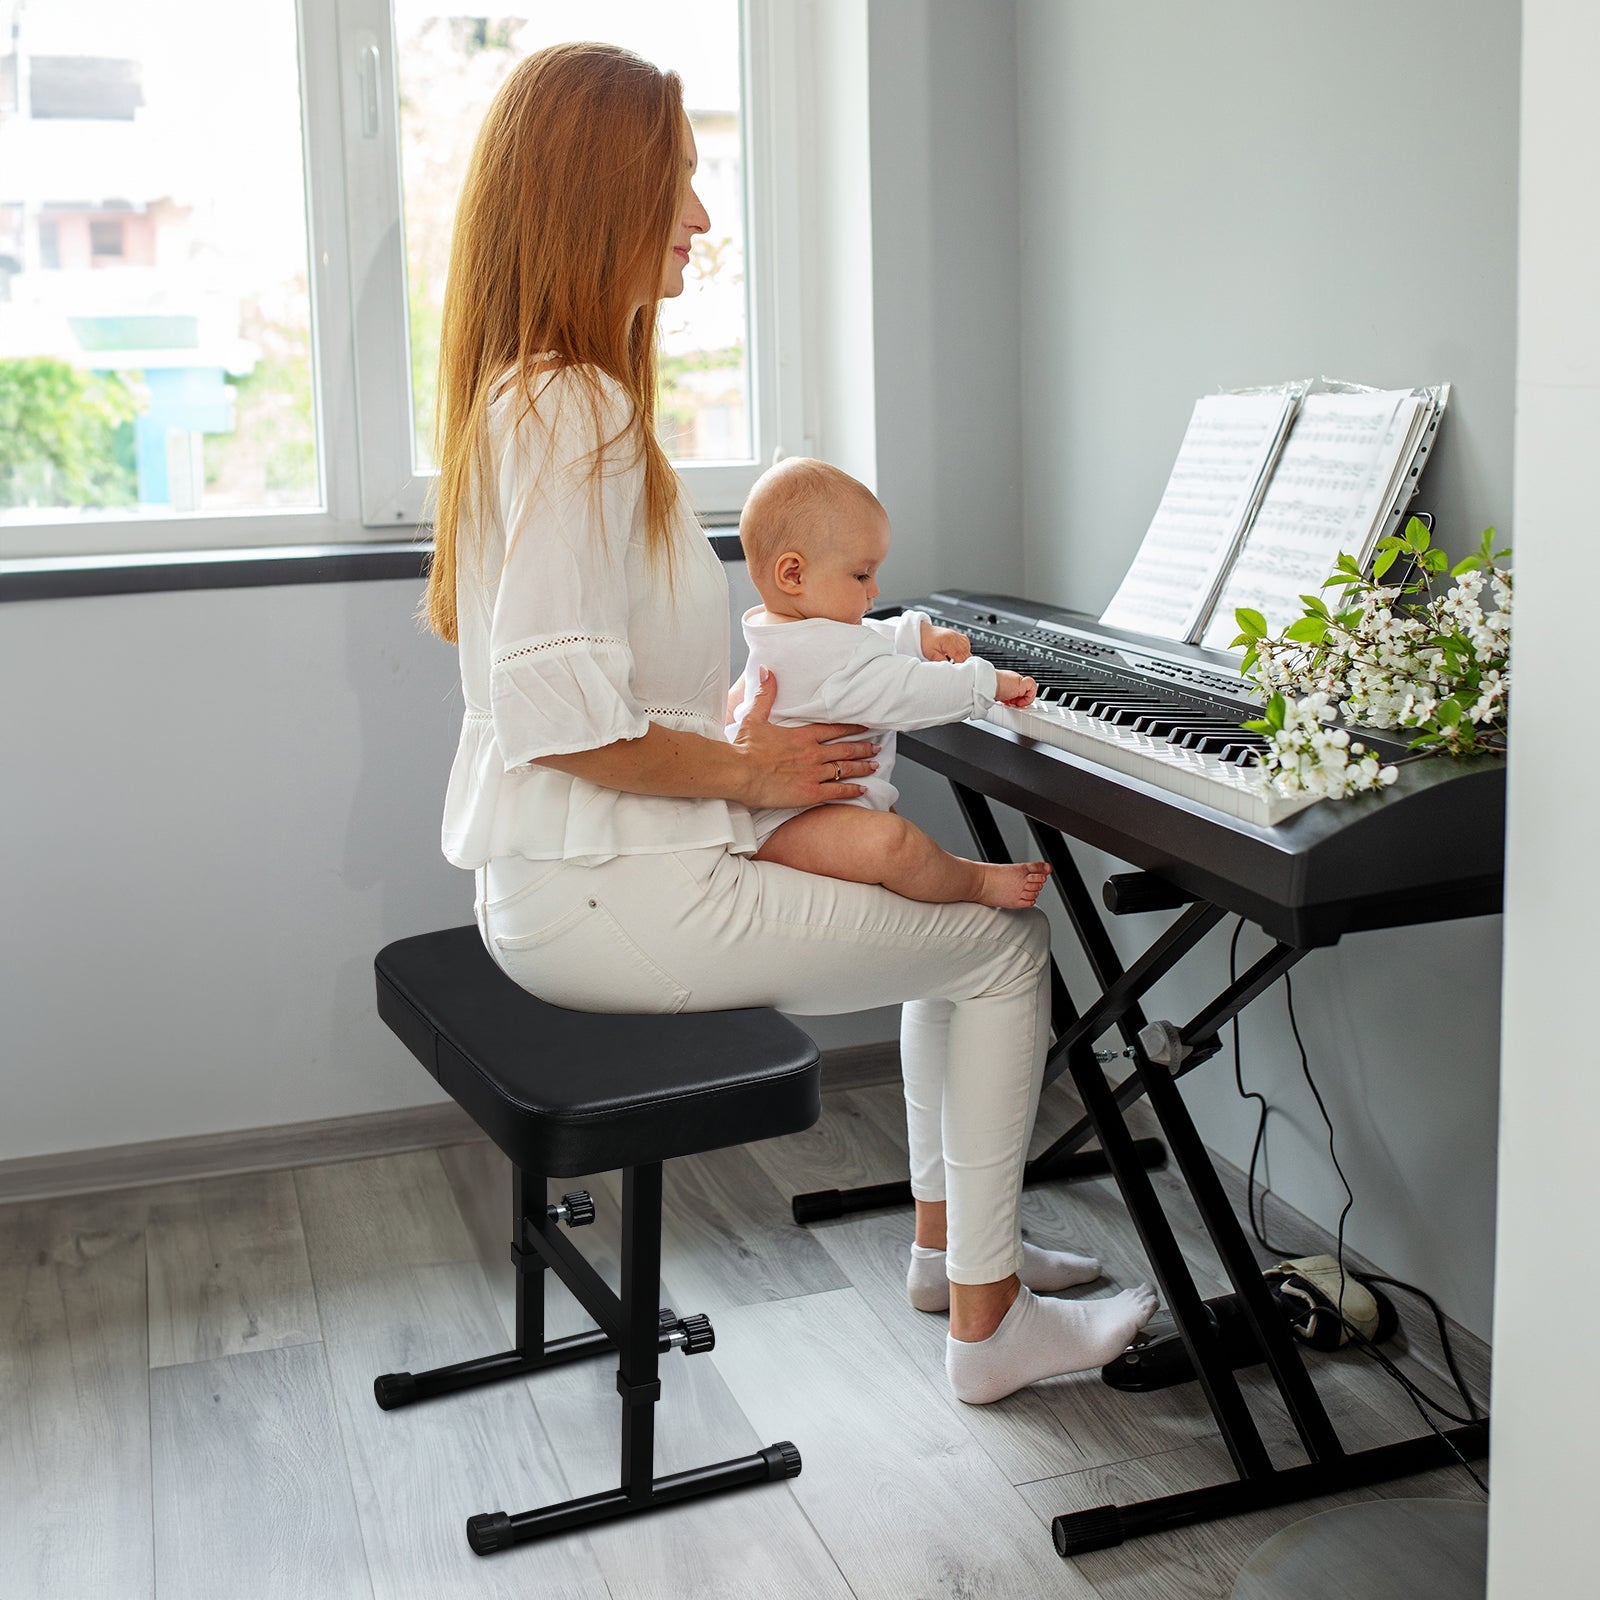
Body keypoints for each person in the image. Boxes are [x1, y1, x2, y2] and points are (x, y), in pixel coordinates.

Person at [426, 40, 1156, 1405]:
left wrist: (815, 692)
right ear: (597, 198)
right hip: (619, 894)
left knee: (967, 945)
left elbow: (595, 690)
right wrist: (750, 764)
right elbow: (558, 718)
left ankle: (954, 1253)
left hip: (581, 884)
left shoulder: (537, 399)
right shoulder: (570, 408)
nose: (701, 217)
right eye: (679, 183)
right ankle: (989, 1329)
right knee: (1006, 948)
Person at [730, 455, 1052, 910]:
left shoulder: (786, 629)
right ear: (794, 574)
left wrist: (917, 635)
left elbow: (862, 638)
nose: (874, 589)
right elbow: (907, 691)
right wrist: (986, 684)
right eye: (861, 575)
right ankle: (974, 882)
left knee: (887, 836)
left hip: (792, 812)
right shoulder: (822, 657)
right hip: (785, 824)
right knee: (892, 843)